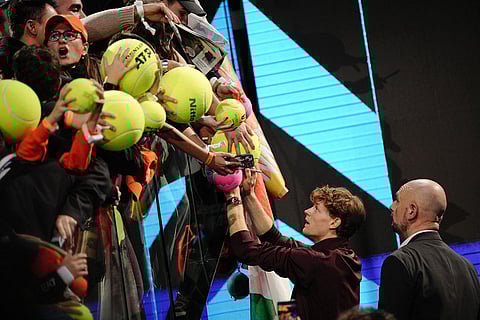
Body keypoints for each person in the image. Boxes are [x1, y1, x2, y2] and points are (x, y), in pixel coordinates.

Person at [225, 169, 366, 320]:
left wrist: (232, 196)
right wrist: (249, 195)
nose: (307, 211)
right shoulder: (341, 256)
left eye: (316, 209)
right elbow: (274, 237)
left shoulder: (317, 261)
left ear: (334, 222)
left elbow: (246, 250)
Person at [378, 179, 480, 320]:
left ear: (411, 211)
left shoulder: (399, 262)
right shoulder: (468, 268)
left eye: (397, 200)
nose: (391, 206)